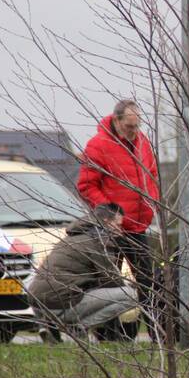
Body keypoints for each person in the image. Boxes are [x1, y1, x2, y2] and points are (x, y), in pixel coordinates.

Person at [77, 99, 160, 339]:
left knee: (148, 282)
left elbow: (152, 175)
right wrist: (110, 213)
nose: (134, 132)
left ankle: (157, 335)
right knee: (108, 283)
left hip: (138, 226)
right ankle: (108, 336)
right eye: (129, 127)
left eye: (137, 126)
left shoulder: (143, 142)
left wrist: (151, 200)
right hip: (111, 229)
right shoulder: (97, 146)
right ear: (117, 120)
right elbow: (86, 186)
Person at [28, 203, 140, 341]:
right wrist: (135, 286)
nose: (120, 230)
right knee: (132, 295)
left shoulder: (73, 236)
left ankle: (48, 323)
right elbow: (112, 280)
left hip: (37, 302)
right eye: (118, 224)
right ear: (106, 222)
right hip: (60, 303)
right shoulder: (98, 240)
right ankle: (80, 326)